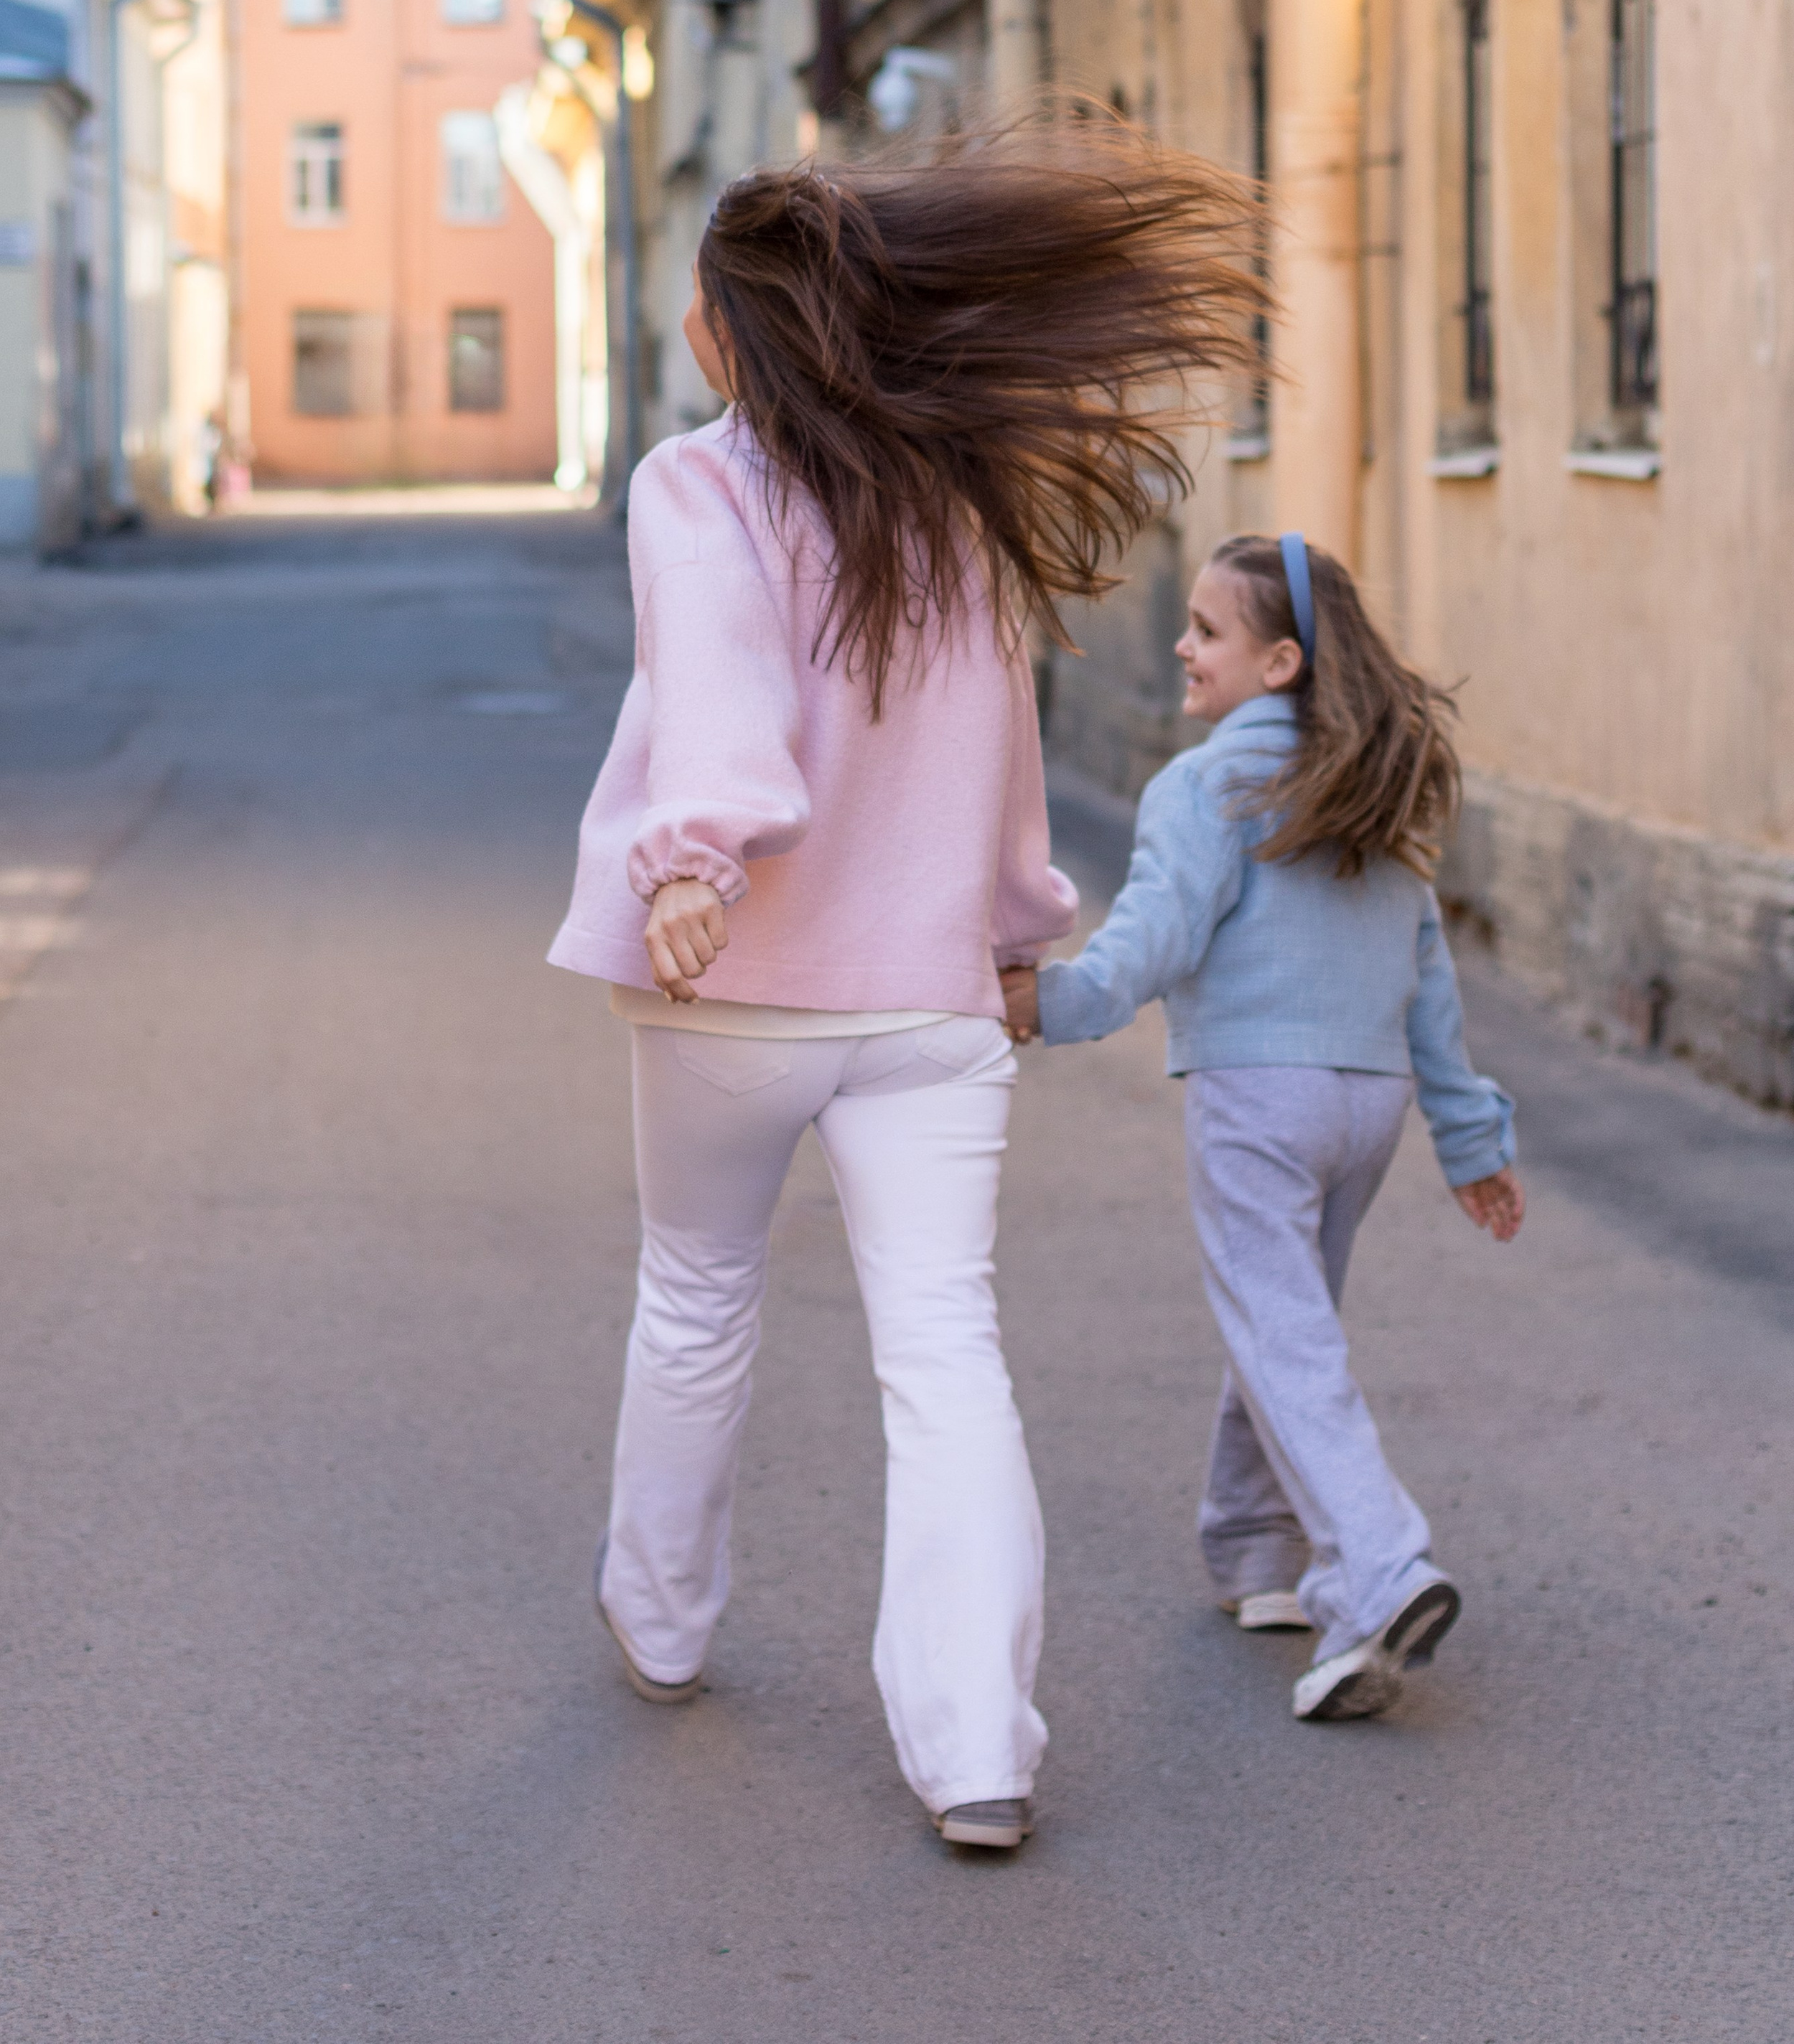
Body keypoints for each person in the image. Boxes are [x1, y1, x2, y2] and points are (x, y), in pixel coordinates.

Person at [549, 123, 1260, 1847]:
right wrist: (1017, 930)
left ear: (734, 330)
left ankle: (660, 1622)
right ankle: (976, 1750)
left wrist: (697, 858)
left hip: (728, 985)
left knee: (694, 1294)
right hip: (932, 1004)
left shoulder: (698, 479)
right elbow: (1000, 741)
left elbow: (718, 669)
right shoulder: (953, 495)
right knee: (945, 1352)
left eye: (705, 309)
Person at [1002, 530, 1523, 1725]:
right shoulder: (1375, 783)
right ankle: (1254, 1552)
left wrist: (1056, 1001)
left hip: (1262, 1100)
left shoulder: (1204, 787)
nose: (1184, 647)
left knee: (1285, 1336)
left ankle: (1380, 1572)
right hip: (1370, 1104)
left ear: (1280, 662)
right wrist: (1471, 1140)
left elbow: (1158, 933)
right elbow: (1429, 976)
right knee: (1288, 1322)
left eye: (1208, 631)